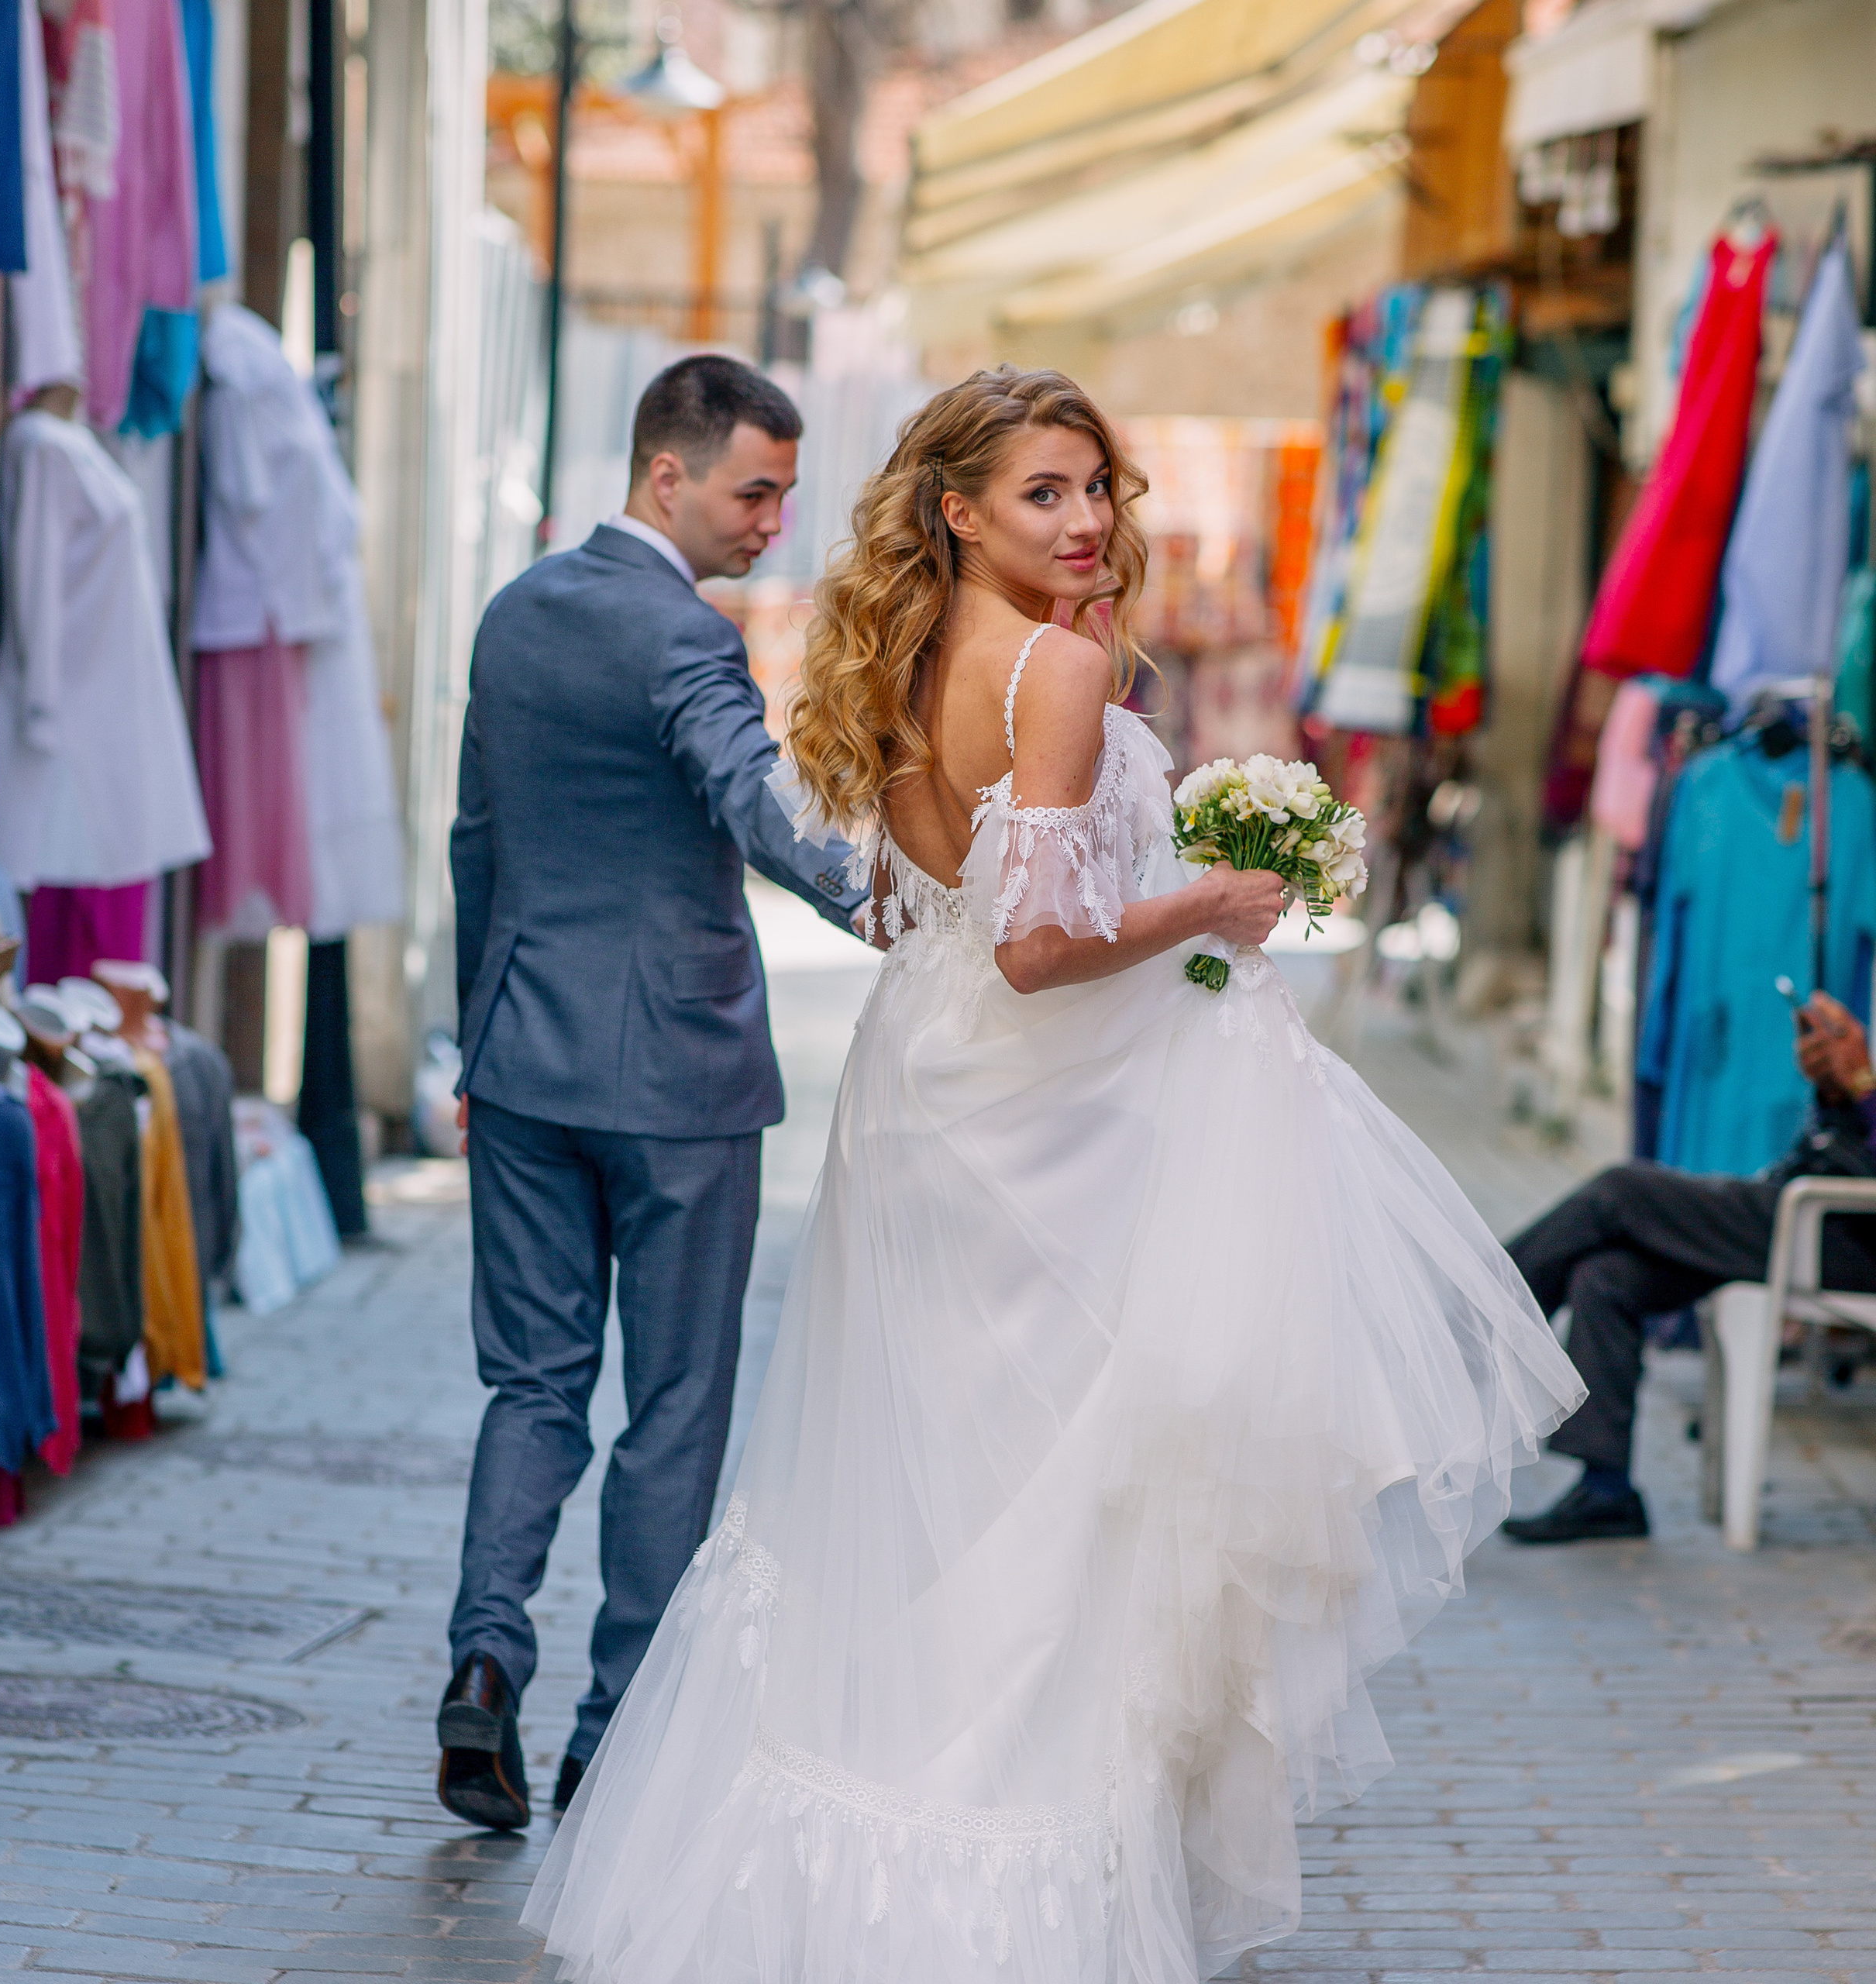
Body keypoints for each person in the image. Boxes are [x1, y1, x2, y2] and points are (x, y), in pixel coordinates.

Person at [519, 366, 1582, 1979]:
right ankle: (993, 1893)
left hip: (930, 1094)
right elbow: (1036, 945)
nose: (1085, 519)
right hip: (1040, 1121)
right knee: (1054, 1508)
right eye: (1043, 492)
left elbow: (937, 909)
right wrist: (1211, 898)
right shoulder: (1055, 669)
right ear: (957, 508)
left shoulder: (895, 643)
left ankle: (832, 1875)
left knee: (934, 1497)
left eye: (1096, 487)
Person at [438, 355, 873, 1831]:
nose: (774, 524)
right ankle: (611, 1733)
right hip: (678, 1080)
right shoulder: (680, 637)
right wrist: (899, 901)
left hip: (521, 1066)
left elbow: (475, 843)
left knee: (532, 1385)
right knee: (675, 1407)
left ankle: (484, 1667)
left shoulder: (512, 618)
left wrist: (470, 1047)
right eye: (756, 491)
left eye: (786, 497)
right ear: (665, 475)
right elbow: (758, 802)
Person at [1503, 987, 1876, 1545]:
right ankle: (1607, 1493)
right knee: (1606, 1278)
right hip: (1821, 1209)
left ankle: (1473, 1322)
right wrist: (1839, 1088)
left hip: (1845, 1234)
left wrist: (1863, 1085)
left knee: (1621, 1192)